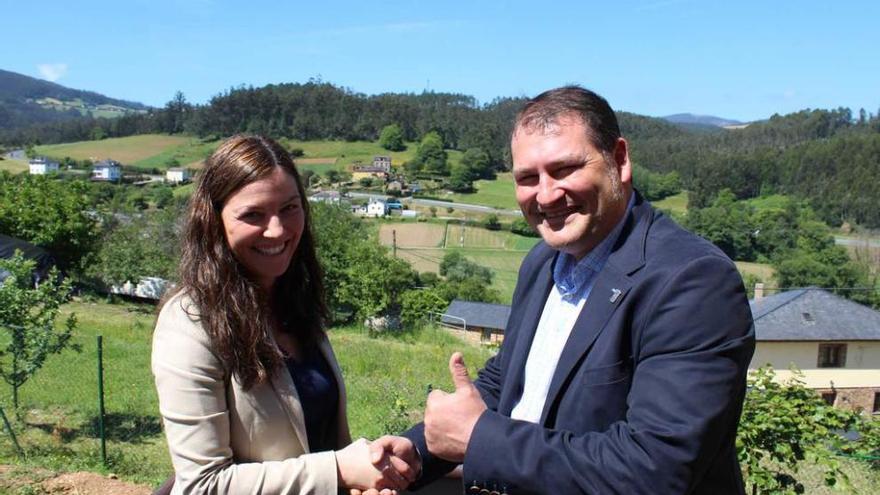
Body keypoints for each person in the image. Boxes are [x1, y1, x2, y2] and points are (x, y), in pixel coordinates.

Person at [367, 86, 756, 494]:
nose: (547, 194)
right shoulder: (542, 262)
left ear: (619, 160)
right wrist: (419, 450)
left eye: (565, 169)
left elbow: (654, 470)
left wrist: (479, 438)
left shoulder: (692, 282)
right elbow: (511, 380)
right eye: (528, 178)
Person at [152, 135, 417, 494]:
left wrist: (365, 466)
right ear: (213, 221)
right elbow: (203, 485)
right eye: (253, 214)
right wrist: (338, 470)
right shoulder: (188, 325)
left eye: (290, 208)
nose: (277, 229)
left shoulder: (295, 304)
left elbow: (319, 441)